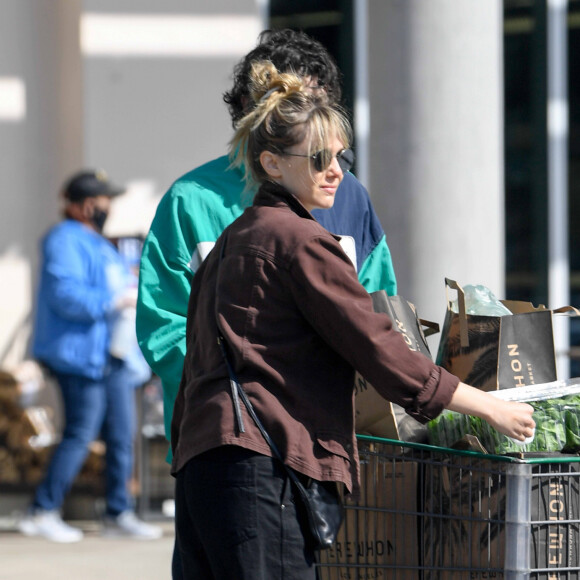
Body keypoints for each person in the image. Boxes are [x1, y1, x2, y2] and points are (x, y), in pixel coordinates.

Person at [170, 62, 536, 580]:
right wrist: (487, 406)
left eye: (342, 155)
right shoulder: (301, 241)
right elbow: (375, 344)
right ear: (271, 163)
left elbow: (196, 363)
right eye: (319, 157)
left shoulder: (234, 240)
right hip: (263, 465)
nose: (336, 169)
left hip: (203, 464)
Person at [136, 29, 397, 465]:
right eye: (283, 106)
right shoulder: (191, 199)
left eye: (312, 106)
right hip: (224, 445)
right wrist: (243, 397)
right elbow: (163, 327)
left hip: (327, 446)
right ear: (246, 112)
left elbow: (378, 312)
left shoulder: (349, 196)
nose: (300, 121)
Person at [18, 170, 162, 543]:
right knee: (80, 433)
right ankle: (42, 511)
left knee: (121, 434)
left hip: (111, 357)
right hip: (79, 357)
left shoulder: (98, 242)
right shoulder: (64, 239)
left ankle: (118, 513)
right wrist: (113, 301)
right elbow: (65, 295)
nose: (107, 207)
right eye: (102, 200)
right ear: (83, 205)